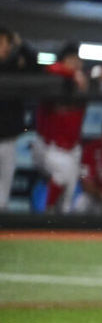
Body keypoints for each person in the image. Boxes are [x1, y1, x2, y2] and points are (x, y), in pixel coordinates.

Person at [33, 42, 89, 213]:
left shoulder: (82, 82)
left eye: (77, 59)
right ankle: (48, 213)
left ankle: (59, 227)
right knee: (62, 175)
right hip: (48, 145)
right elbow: (52, 68)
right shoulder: (54, 76)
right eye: (70, 59)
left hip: (71, 147)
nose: (75, 62)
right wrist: (73, 73)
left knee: (69, 188)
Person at [0, 28, 38, 210]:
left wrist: (20, 43)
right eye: (2, 42)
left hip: (8, 138)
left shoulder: (15, 65)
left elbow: (34, 63)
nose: (5, 47)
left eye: (7, 43)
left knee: (3, 193)